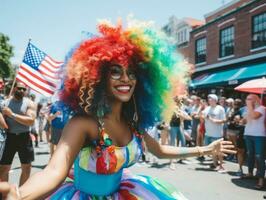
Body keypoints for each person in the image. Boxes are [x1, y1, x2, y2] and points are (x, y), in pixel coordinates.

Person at [0, 20, 235, 199]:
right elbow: (54, 171)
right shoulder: (85, 123)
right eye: (115, 71)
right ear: (98, 76)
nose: (126, 79)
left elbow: (160, 150)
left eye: (132, 72)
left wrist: (205, 149)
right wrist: (19, 195)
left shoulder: (133, 121)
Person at [0, 82, 36, 186]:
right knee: (4, 168)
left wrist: (12, 115)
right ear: (14, 88)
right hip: (8, 138)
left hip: (24, 137)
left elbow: (31, 121)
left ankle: (21, 193)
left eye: (24, 89)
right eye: (19, 88)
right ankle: (5, 195)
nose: (22, 91)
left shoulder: (29, 103)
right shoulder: (5, 103)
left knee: (26, 167)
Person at [242, 94, 266, 190]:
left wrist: (249, 107)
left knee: (259, 156)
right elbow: (243, 121)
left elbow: (254, 116)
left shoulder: (262, 108)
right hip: (248, 134)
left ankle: (261, 179)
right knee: (250, 154)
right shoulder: (248, 108)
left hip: (259, 135)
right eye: (247, 98)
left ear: (256, 99)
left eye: (250, 99)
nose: (248, 100)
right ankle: (250, 172)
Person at [202, 94, 226, 173]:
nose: (209, 100)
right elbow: (202, 117)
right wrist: (201, 112)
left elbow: (224, 120)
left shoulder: (220, 108)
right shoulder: (207, 108)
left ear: (215, 100)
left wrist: (214, 120)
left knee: (218, 150)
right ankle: (215, 164)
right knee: (212, 150)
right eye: (208, 99)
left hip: (217, 134)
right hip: (208, 133)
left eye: (211, 99)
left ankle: (222, 166)